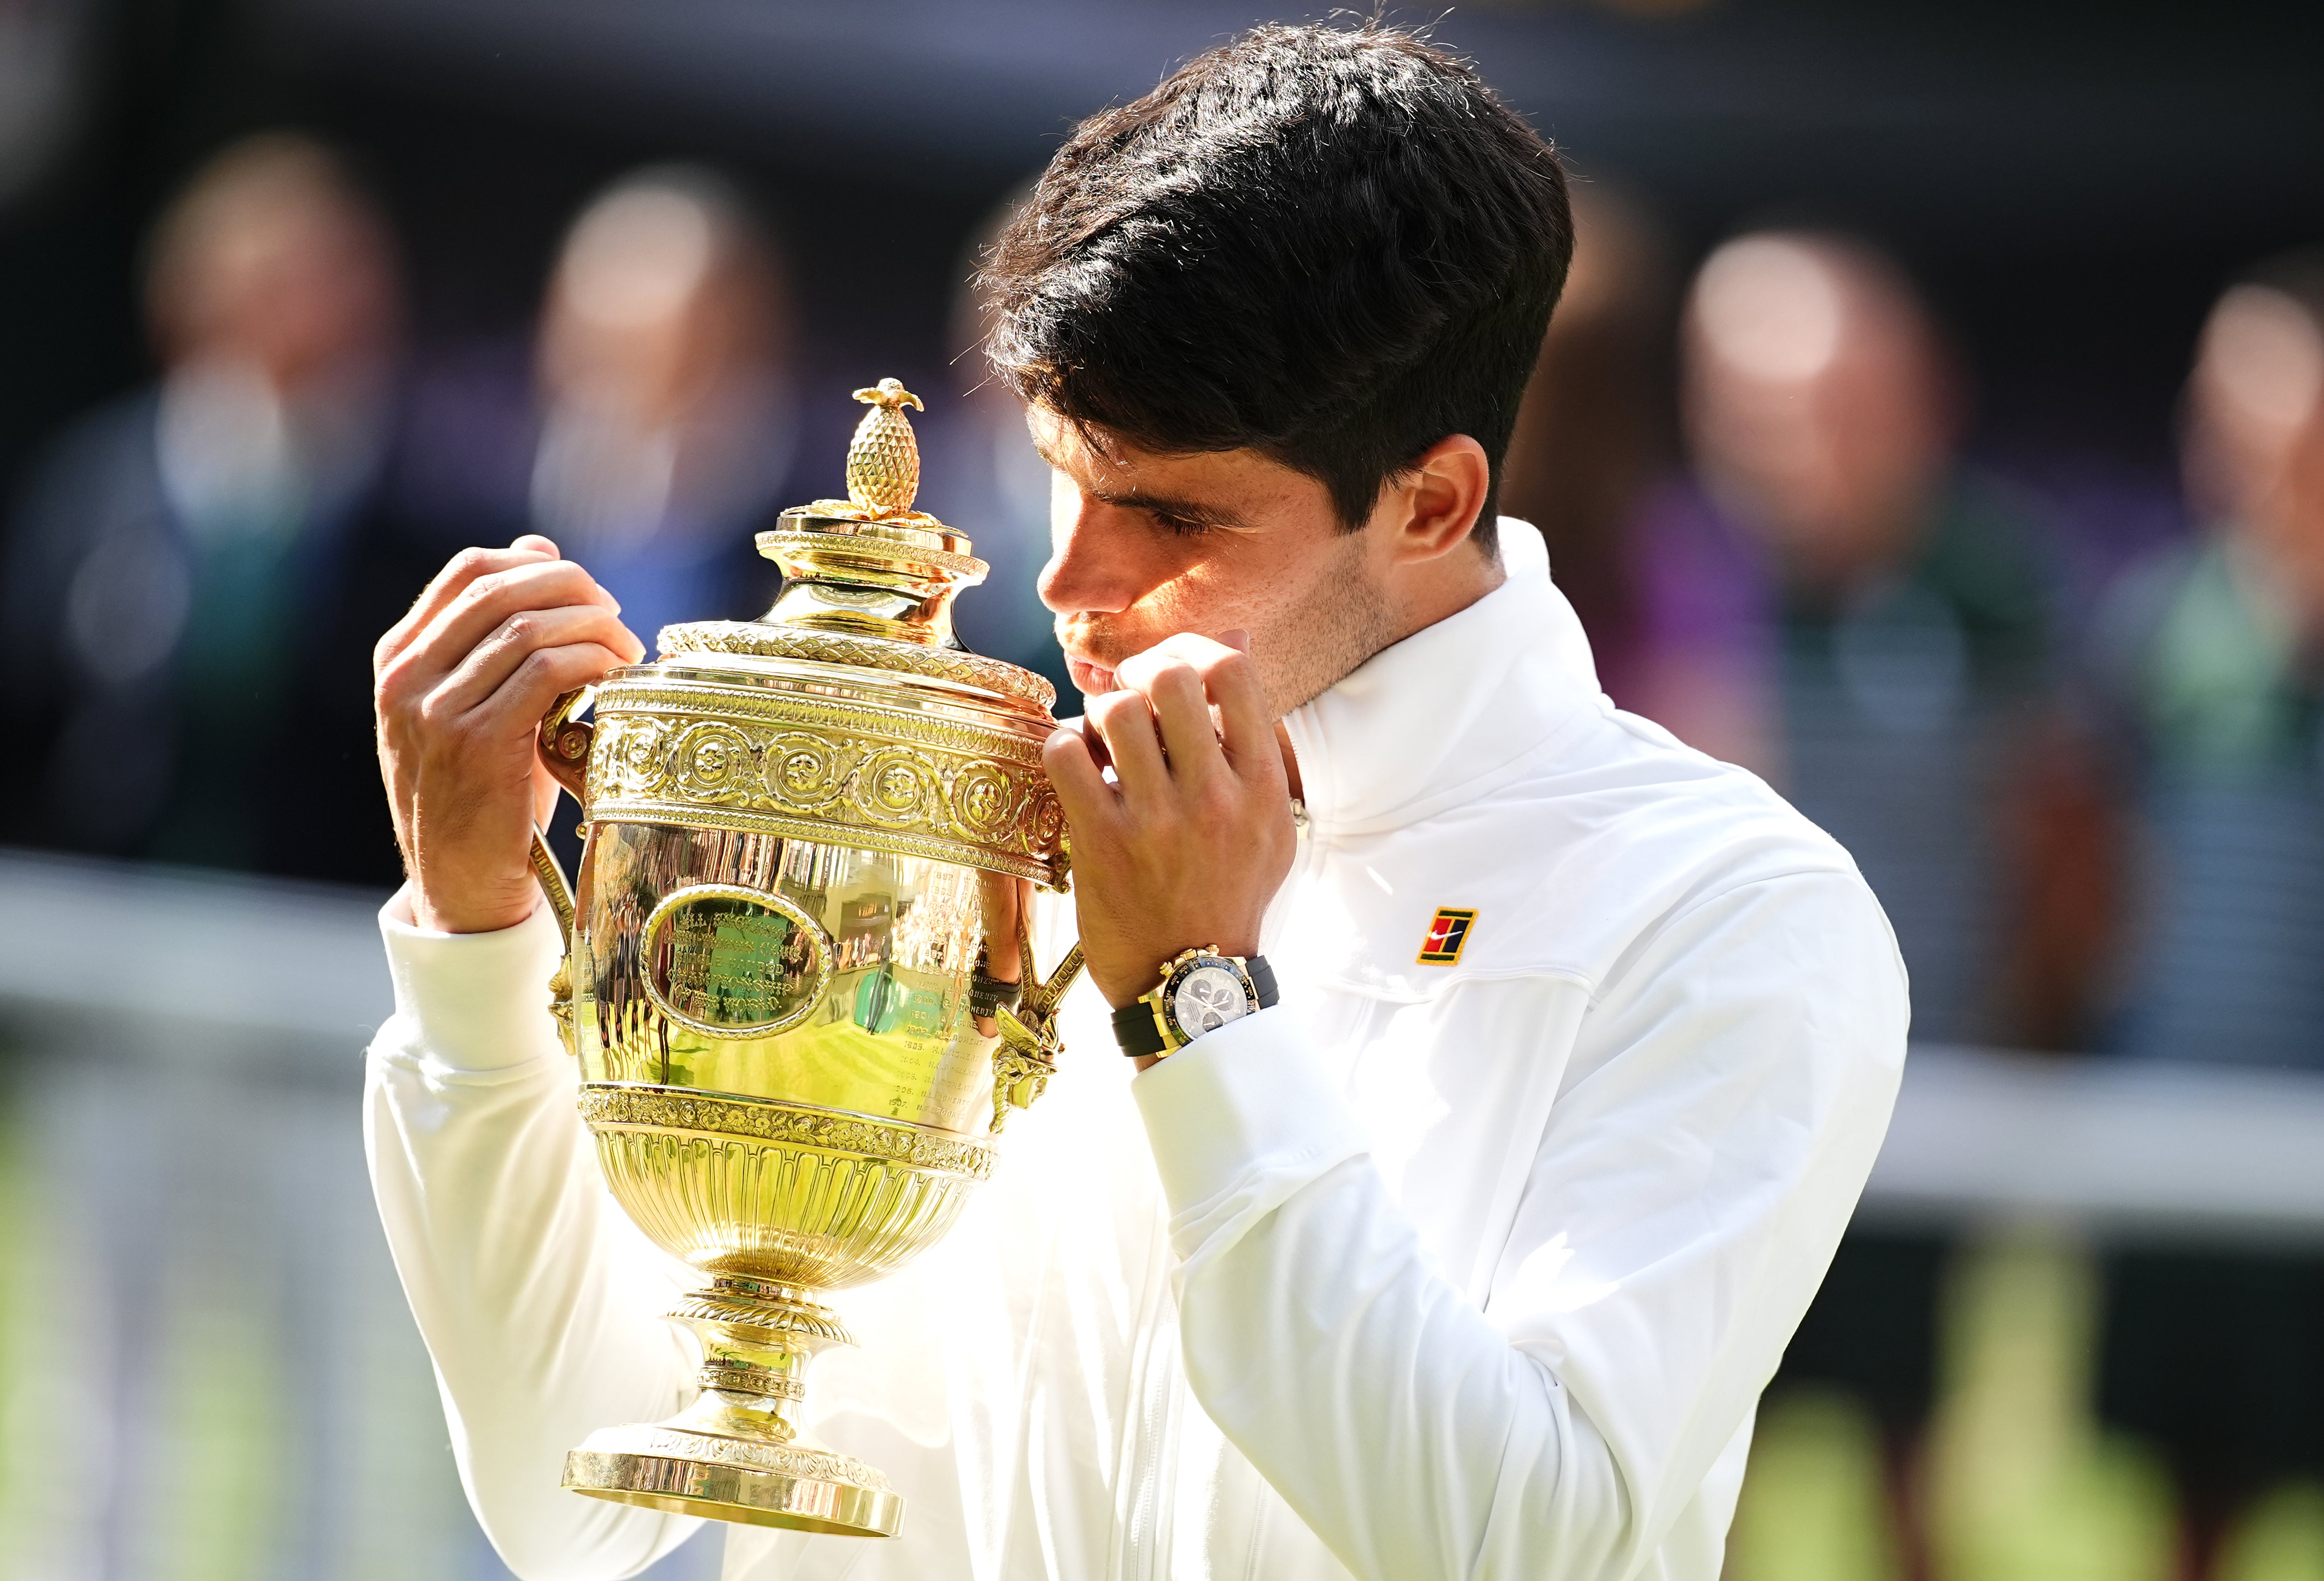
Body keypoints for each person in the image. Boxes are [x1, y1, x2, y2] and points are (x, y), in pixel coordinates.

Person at [366, 24, 1907, 1581]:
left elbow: (1526, 1548)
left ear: (1431, 499)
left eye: (1171, 513)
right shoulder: (966, 807)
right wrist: (473, 935)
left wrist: (1195, 1008)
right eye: (1058, 471)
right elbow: (585, 1493)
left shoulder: (1729, 909)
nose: (1063, 580)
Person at [1631, 230, 2063, 1048]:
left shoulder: (2003, 595)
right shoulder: (1651, 601)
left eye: (1845, 415)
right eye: (1764, 420)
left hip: (1949, 1083)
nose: (1804, 456)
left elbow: (2058, 881)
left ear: (1928, 400)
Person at [0, 132, 424, 883]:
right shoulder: (97, 487)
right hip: (88, 909)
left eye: (341, 277)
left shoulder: (409, 520)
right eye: (283, 280)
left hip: (301, 933)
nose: (323, 308)